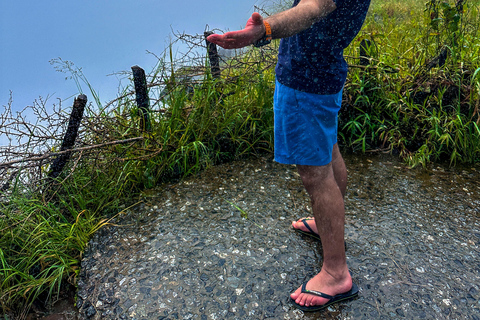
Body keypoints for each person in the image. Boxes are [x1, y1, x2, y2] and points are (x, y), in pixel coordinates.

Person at [207, 0, 371, 312]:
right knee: (329, 149)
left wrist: (263, 30)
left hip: (305, 83)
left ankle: (336, 273)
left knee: (315, 175)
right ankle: (328, 230)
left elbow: (312, 8)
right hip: (324, 73)